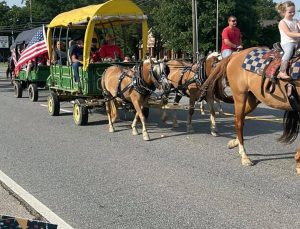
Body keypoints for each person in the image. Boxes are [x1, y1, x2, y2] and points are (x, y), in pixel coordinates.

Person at [276, 1, 300, 80]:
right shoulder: (282, 22)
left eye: (294, 11)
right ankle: (282, 71)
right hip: (288, 42)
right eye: (290, 12)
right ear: (283, 12)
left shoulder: (296, 21)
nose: (292, 13)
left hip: (297, 42)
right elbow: (289, 33)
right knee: (289, 52)